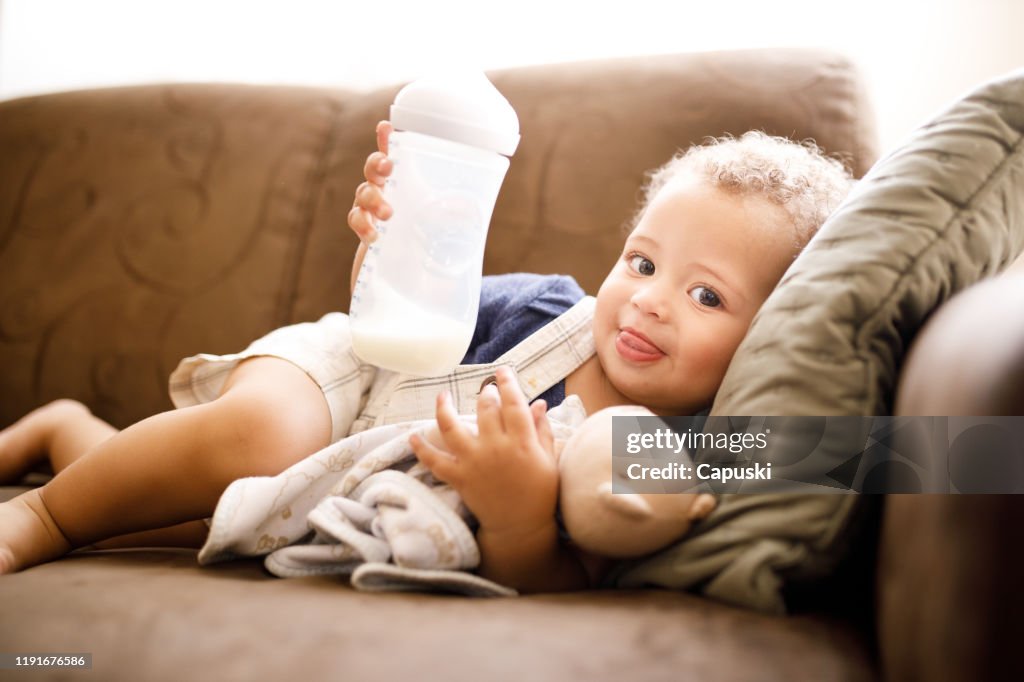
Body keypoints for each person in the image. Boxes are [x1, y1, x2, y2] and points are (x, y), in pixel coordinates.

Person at [0, 121, 853, 592]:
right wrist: (390, 246)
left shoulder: (656, 466)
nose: (651, 298)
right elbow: (388, 323)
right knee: (261, 436)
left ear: (768, 337)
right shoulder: (549, 309)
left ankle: (66, 430)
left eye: (707, 297)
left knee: (195, 516)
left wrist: (520, 516)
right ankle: (43, 517)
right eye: (642, 262)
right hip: (344, 384)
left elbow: (558, 581)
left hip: (343, 491)